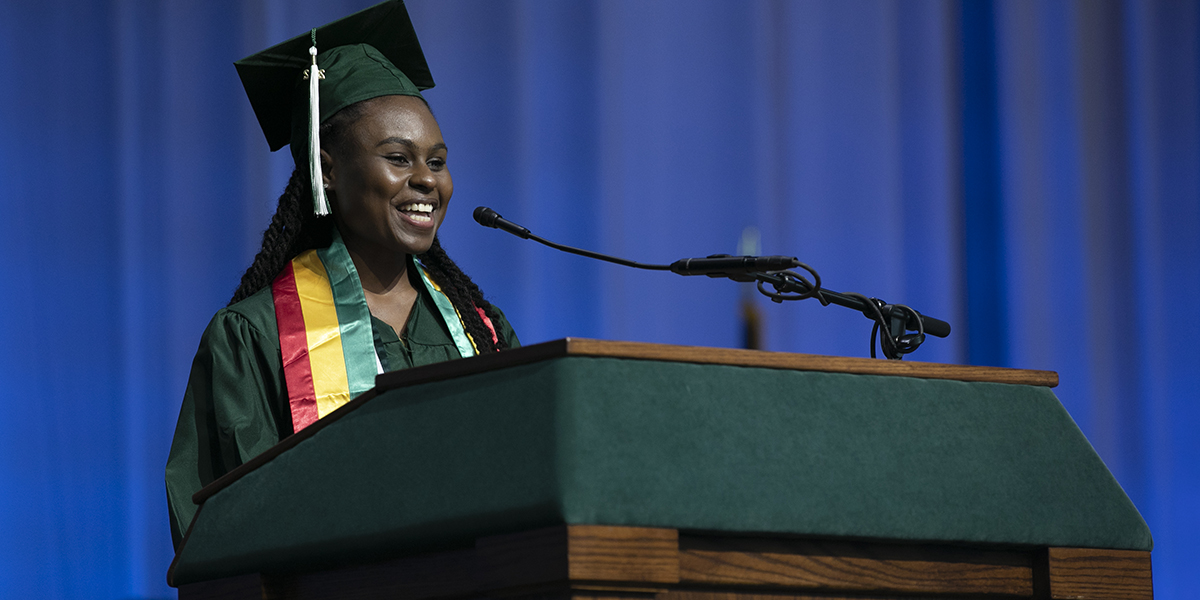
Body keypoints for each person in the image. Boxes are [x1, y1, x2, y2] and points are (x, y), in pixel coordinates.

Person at [165, 1, 519, 549]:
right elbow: (221, 535)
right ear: (327, 170)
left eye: (437, 161)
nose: (427, 180)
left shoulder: (480, 331)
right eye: (399, 158)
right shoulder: (254, 337)